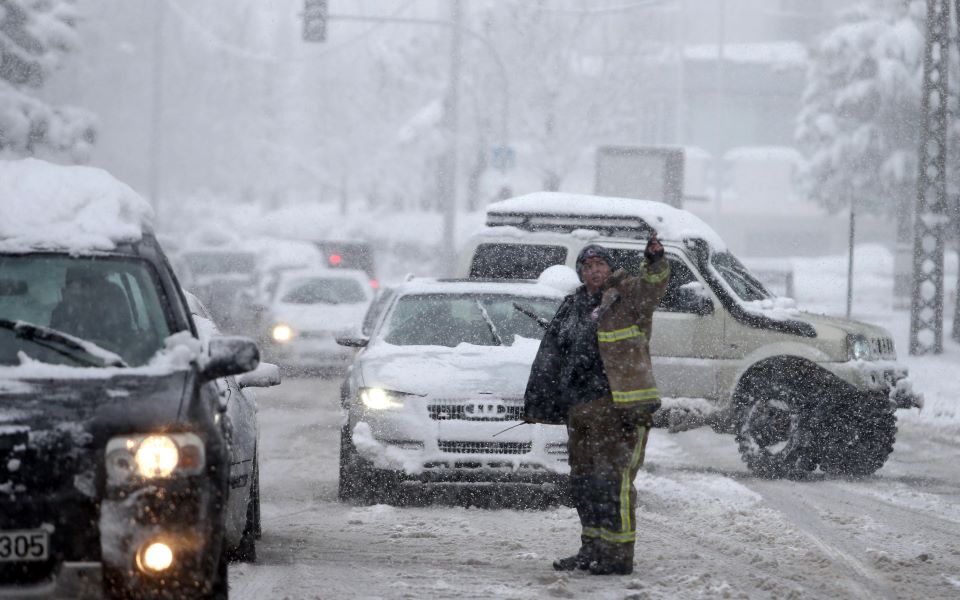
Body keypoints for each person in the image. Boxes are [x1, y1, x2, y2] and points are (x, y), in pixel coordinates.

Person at [523, 235, 669, 576]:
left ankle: (617, 555)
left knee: (612, 481)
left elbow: (653, 287)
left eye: (600, 264)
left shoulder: (628, 297)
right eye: (587, 267)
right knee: (585, 481)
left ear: (610, 267)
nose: (594, 271)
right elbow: (552, 355)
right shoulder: (574, 305)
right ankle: (592, 549)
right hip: (582, 411)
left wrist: (655, 262)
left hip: (620, 410)